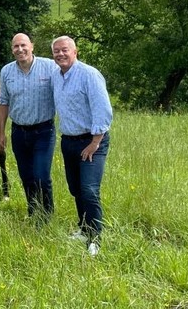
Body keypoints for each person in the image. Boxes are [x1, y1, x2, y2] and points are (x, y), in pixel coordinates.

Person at [51, 35, 113, 256]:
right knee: (75, 188)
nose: (60, 54)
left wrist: (95, 142)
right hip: (69, 140)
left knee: (89, 189)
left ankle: (95, 238)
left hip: (91, 141)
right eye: (56, 51)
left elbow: (103, 110)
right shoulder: (56, 76)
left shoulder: (89, 74)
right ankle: (83, 228)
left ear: (75, 52)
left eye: (65, 50)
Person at [0, 33, 58, 221]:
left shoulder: (49, 67)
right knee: (26, 176)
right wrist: (0, 132)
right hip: (19, 132)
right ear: (12, 49)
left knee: (41, 175)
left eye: (23, 45)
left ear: (32, 46)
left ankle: (47, 215)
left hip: (43, 131)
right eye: (16, 46)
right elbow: (3, 102)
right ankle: (33, 212)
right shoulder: (6, 71)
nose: (20, 49)